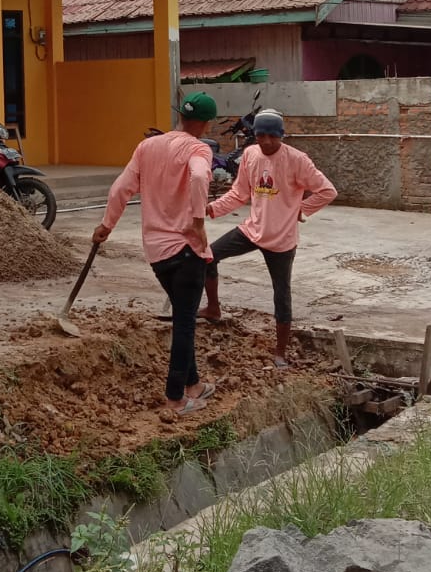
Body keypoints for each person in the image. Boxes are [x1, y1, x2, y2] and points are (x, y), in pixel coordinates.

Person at [94, 92, 218, 414]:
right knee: (184, 324)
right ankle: (175, 398)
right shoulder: (198, 149)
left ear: (180, 116)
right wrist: (198, 221)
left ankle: (194, 385)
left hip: (157, 253)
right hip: (186, 250)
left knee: (183, 316)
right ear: (206, 124)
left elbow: (120, 188)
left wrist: (107, 225)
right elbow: (200, 176)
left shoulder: (147, 147)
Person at [206, 111, 336, 368]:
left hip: (281, 239)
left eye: (272, 136)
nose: (266, 141)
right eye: (261, 135)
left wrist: (302, 210)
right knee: (208, 256)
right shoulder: (251, 155)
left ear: (281, 136)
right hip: (252, 229)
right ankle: (212, 309)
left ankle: (280, 352)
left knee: (281, 294)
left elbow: (327, 190)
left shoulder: (297, 160)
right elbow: (239, 193)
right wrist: (212, 208)